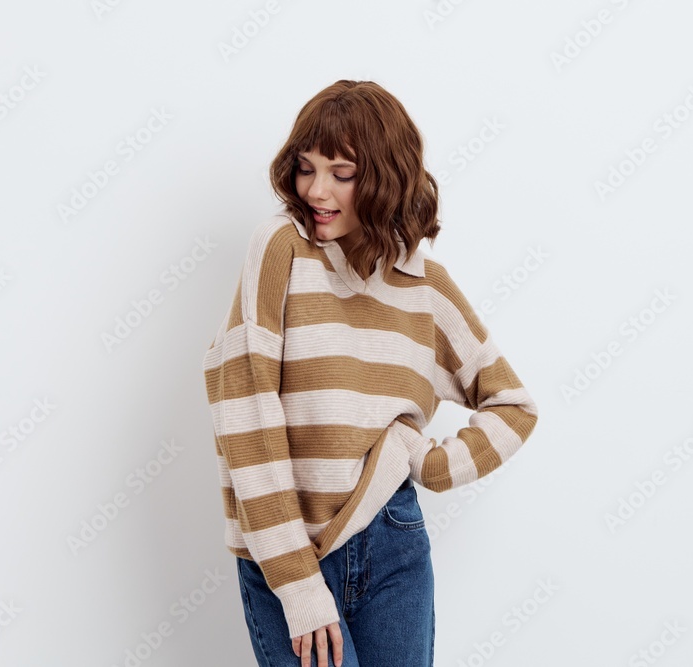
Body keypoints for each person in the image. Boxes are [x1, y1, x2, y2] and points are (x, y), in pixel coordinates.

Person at [202, 80, 538, 667]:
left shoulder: (425, 287)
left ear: (385, 177)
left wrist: (433, 464)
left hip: (392, 540)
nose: (316, 190)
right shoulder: (281, 249)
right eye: (306, 168)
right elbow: (245, 410)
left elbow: (513, 405)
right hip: (287, 547)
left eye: (342, 173)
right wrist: (298, 584)